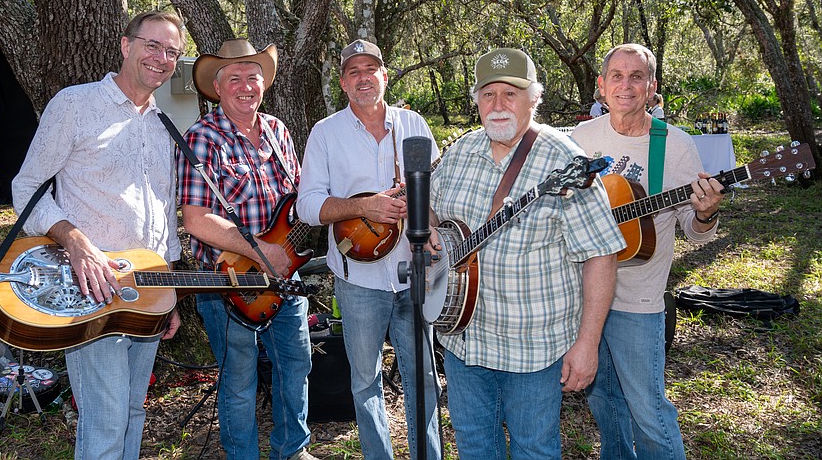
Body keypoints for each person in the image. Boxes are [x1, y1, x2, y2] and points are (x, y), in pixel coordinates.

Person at [429, 48, 626, 459]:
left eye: (511, 94)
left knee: (534, 450)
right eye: (488, 94)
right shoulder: (461, 152)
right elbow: (431, 208)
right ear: (476, 100)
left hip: (533, 350)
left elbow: (601, 256)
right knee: (474, 447)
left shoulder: (564, 159)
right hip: (464, 340)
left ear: (534, 99)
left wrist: (587, 344)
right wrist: (431, 232)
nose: (498, 105)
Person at [12, 11, 185, 459]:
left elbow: (164, 214)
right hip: (91, 288)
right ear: (126, 46)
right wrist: (73, 239)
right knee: (105, 420)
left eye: (172, 52)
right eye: (152, 45)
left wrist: (168, 294)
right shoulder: (75, 104)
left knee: (131, 411)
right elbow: (26, 187)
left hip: (147, 291)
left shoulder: (164, 125)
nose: (161, 58)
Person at [571, 43, 725, 460]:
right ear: (601, 86)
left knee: (649, 411)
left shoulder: (673, 146)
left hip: (638, 301)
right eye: (616, 76)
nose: (626, 85)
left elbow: (695, 231)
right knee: (604, 401)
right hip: (582, 297)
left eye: (636, 76)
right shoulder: (579, 138)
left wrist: (707, 213)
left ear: (652, 87)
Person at [296, 39, 441, 460]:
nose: (363, 78)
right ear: (343, 82)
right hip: (357, 280)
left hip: (415, 271)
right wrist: (366, 206)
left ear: (385, 75)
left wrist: (429, 226)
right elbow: (307, 206)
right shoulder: (326, 134)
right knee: (365, 381)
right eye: (354, 71)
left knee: (424, 378)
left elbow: (432, 195)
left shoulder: (414, 126)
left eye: (370, 69)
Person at [177, 39, 316, 460]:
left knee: (297, 365)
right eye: (233, 78)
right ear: (217, 88)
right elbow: (196, 219)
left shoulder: (277, 131)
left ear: (264, 83)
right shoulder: (202, 138)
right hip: (229, 284)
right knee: (238, 381)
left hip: (285, 276)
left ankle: (293, 449)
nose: (244, 86)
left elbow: (296, 205)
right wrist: (261, 252)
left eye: (252, 77)